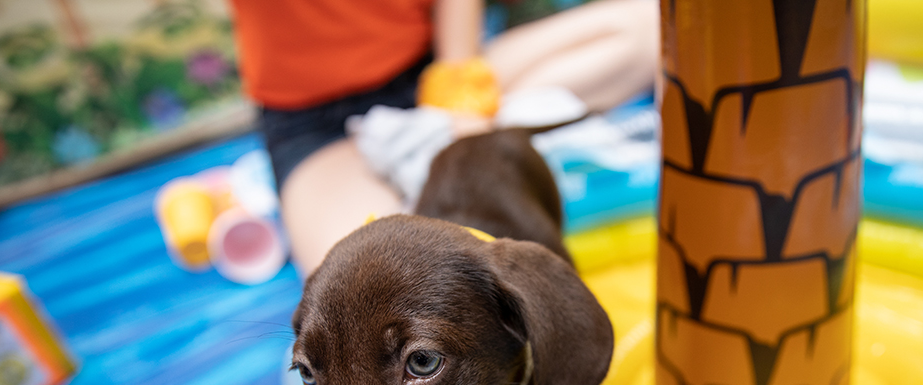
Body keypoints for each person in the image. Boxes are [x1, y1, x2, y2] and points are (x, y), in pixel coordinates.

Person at [229, 0, 658, 276]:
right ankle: (416, 167)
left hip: (428, 73)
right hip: (318, 124)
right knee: (374, 283)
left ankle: (423, 160)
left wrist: (458, 92)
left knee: (654, 25)